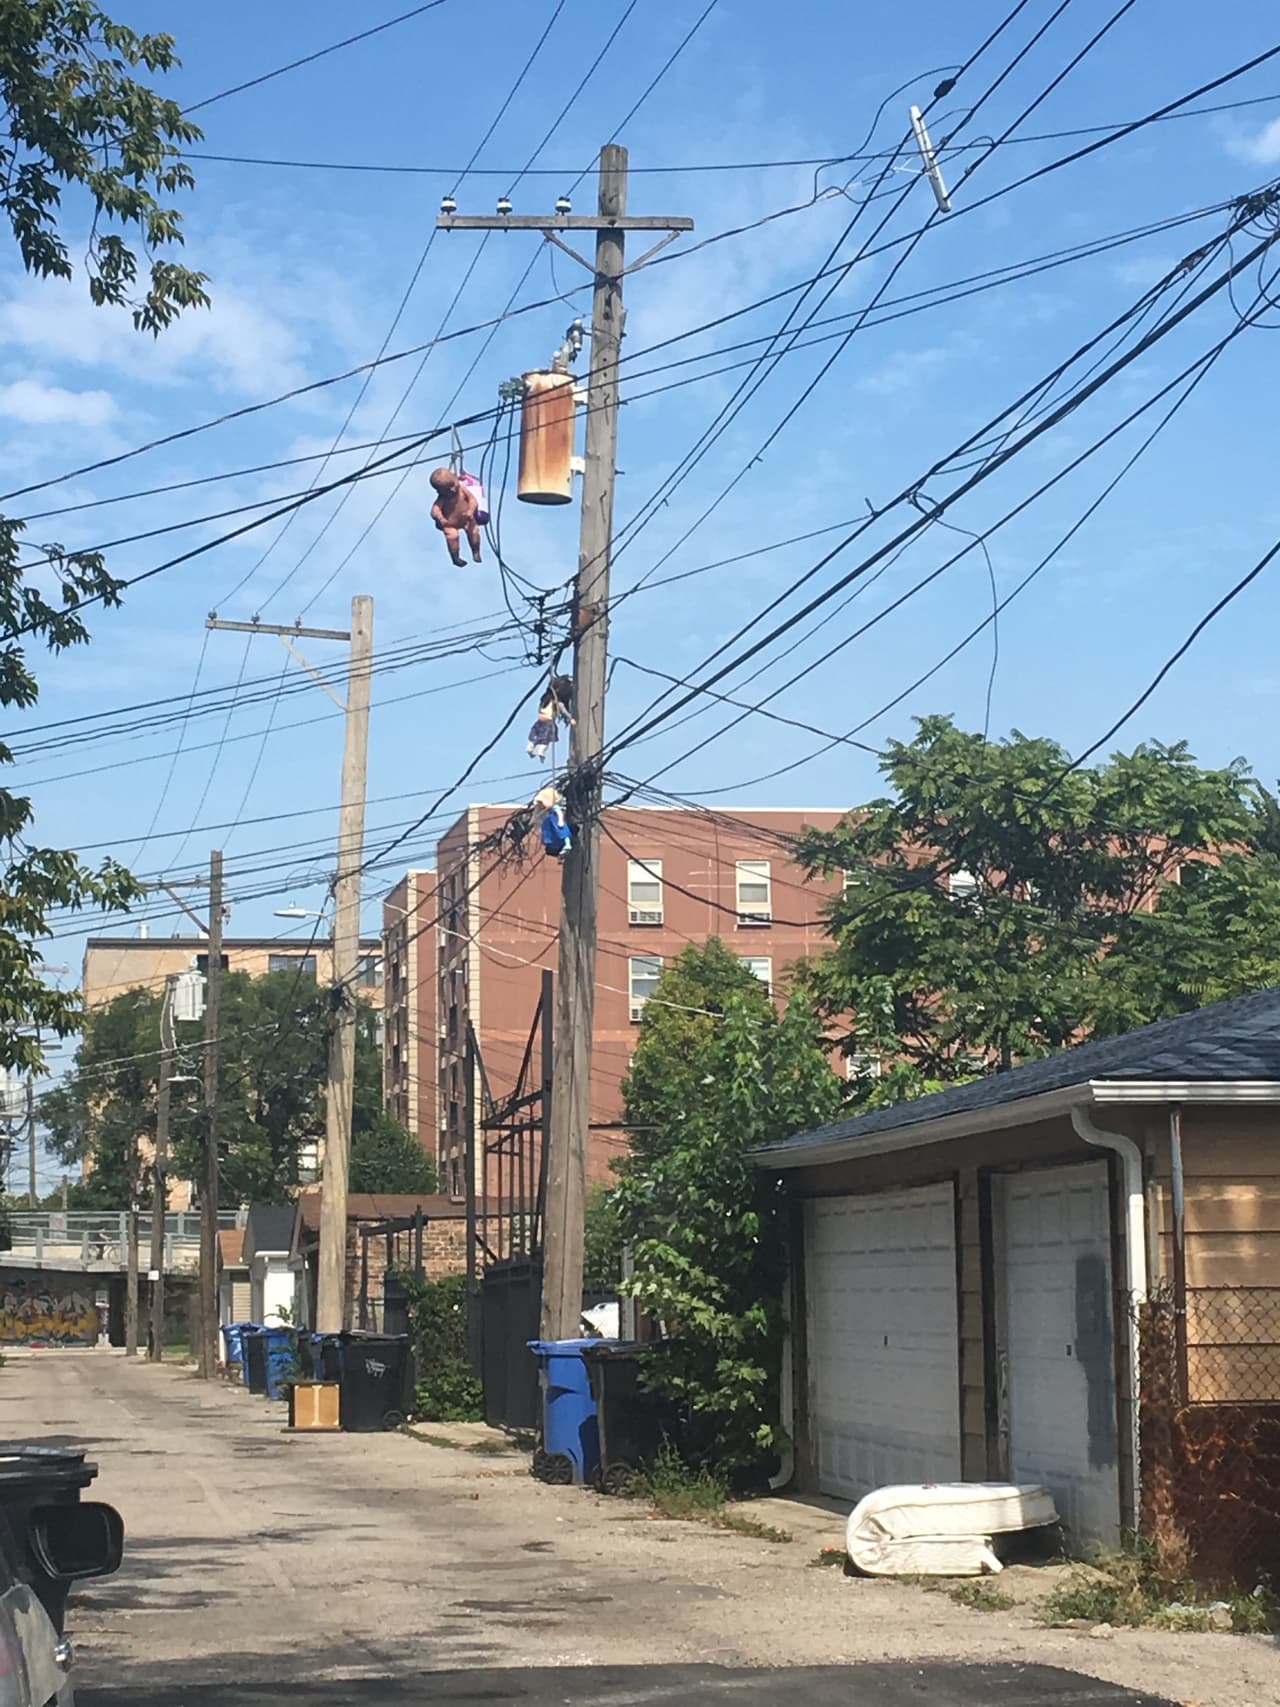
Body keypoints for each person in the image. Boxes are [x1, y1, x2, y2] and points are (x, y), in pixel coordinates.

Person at [428, 467, 482, 567]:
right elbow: (434, 510)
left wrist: (470, 511)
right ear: (439, 491)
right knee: (452, 537)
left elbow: (473, 500)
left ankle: (476, 551)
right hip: (450, 523)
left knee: (473, 531)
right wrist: (440, 517)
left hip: (467, 519)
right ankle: (455, 557)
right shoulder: (442, 499)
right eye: (448, 489)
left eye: (453, 485)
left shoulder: (462, 490)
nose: (452, 489)